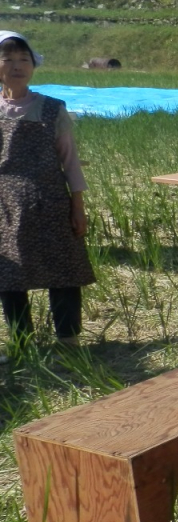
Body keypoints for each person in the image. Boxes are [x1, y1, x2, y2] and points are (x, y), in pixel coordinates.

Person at [0, 31, 94, 354]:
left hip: (51, 201)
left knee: (64, 269)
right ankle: (22, 342)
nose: (16, 66)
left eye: (23, 59)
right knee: (9, 273)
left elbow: (71, 163)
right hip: (4, 207)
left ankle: (68, 340)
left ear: (33, 65)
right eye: (7, 59)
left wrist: (77, 206)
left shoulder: (52, 109)